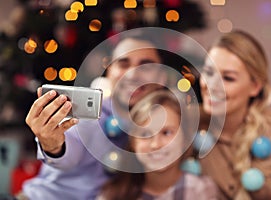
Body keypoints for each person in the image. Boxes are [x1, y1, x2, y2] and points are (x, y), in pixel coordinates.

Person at [21, 33, 168, 199]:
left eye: (145, 66)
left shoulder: (166, 124)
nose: (132, 75)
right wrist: (53, 144)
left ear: (162, 77)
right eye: (123, 64)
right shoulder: (88, 115)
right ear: (109, 72)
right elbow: (69, 146)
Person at [198, 30, 271, 200]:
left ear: (255, 86)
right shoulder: (188, 123)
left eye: (228, 78)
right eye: (208, 72)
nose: (211, 85)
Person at [97, 90, 219, 200]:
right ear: (133, 142)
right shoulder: (112, 194)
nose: (155, 144)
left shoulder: (202, 191)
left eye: (166, 133)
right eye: (145, 134)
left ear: (185, 140)